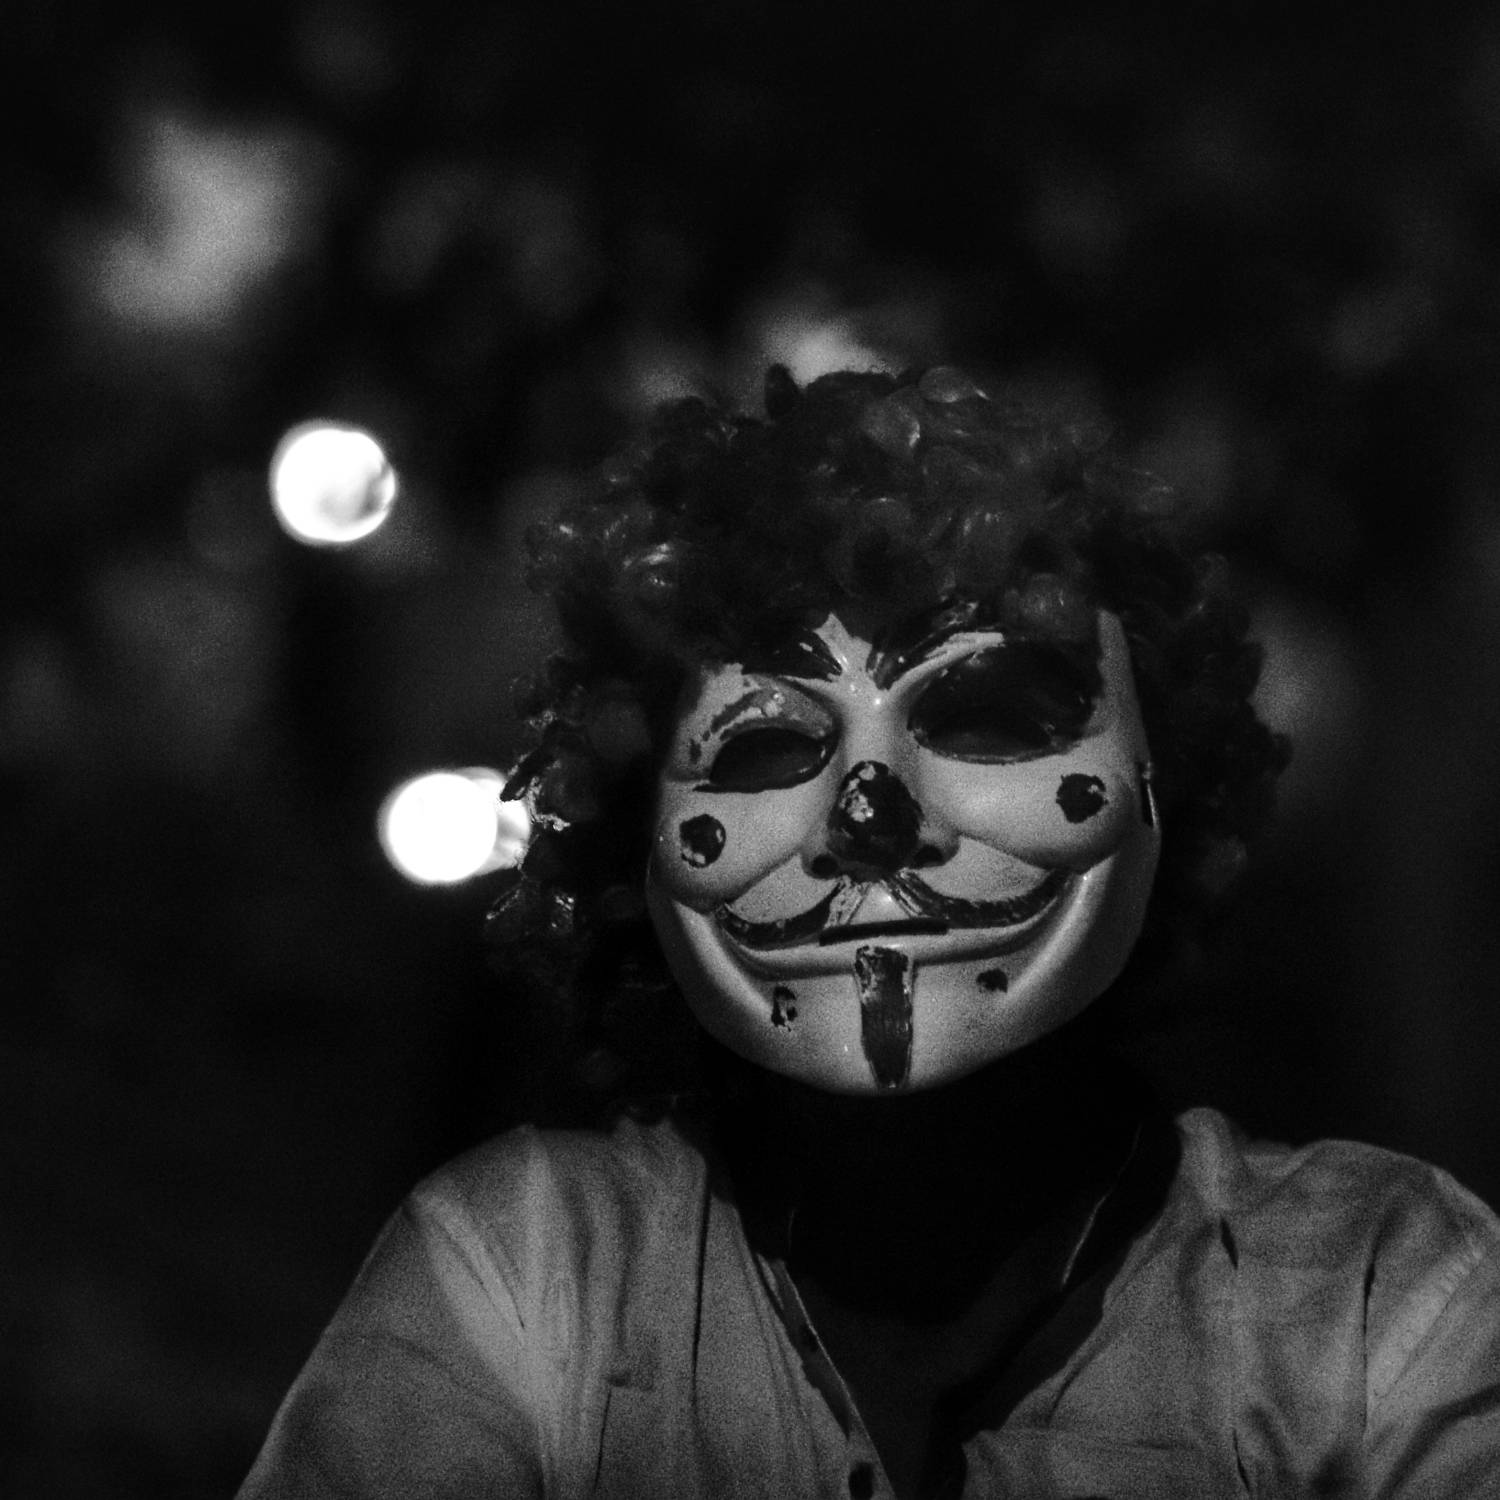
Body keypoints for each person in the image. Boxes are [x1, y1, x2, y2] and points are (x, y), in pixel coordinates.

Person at [238, 366, 1500, 1498]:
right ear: (641, 836)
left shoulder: (1376, 1296)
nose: (870, 809)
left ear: (1161, 792)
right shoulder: (532, 1276)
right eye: (767, 742)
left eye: (988, 717)